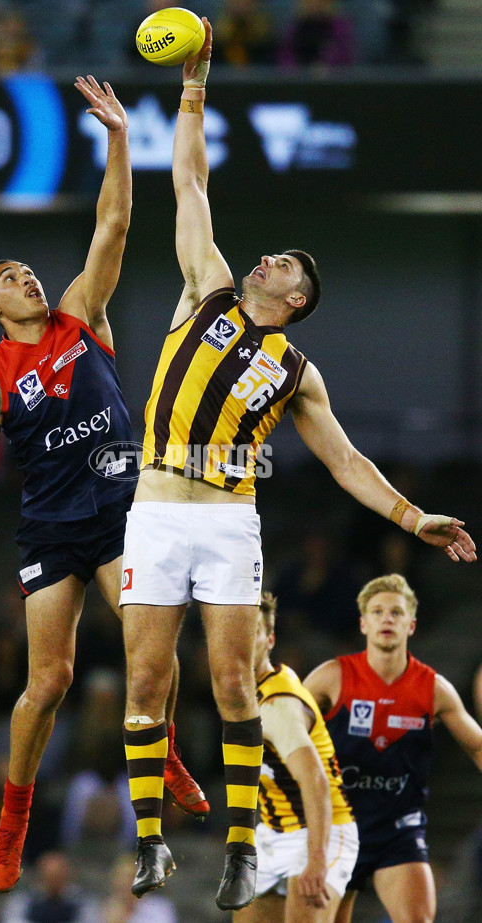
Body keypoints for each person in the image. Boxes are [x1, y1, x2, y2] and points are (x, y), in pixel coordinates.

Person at [118, 17, 476, 914]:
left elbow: (347, 459)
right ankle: (152, 840)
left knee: (237, 682)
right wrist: (195, 83)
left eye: (283, 264)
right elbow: (190, 178)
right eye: (269, 255)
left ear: (297, 299)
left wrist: (411, 518)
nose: (266, 257)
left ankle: (241, 849)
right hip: (156, 508)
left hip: (231, 513)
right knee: (148, 683)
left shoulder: (299, 374)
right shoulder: (206, 289)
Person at [0, 75, 208, 895]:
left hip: (122, 509)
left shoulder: (76, 315)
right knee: (50, 680)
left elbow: (115, 221)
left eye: (27, 267)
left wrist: (119, 136)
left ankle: (161, 750)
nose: (26, 276)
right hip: (51, 527)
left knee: (152, 653)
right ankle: (14, 818)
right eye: (8, 275)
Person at [303, 573, 482, 923]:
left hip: (398, 831)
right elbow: (289, 736)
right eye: (378, 611)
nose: (387, 618)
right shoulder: (331, 677)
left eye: (396, 613)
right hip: (337, 828)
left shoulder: (434, 689)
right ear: (363, 623)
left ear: (411, 625)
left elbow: (476, 746)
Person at [234, 591, 358, 922]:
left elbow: (315, 780)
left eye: (254, 630)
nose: (242, 638)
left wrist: (317, 858)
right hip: (275, 833)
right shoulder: (242, 694)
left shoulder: (277, 705)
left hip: (319, 832)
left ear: (270, 639)